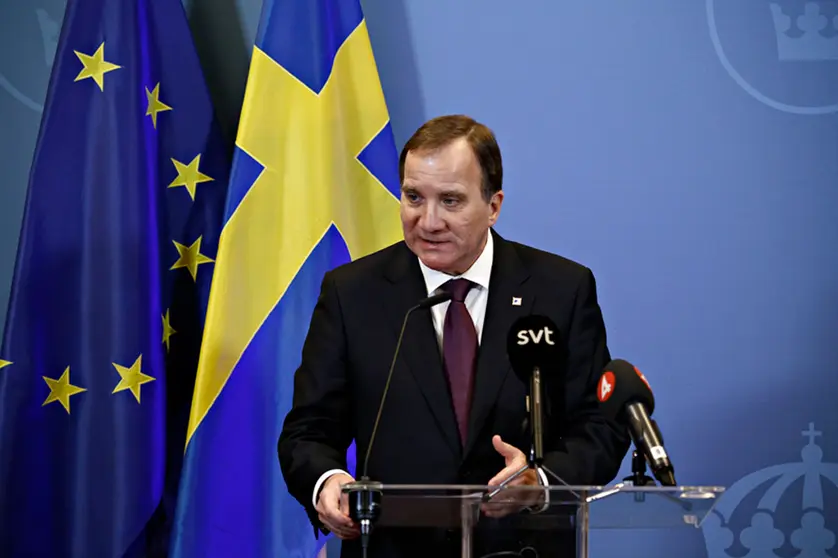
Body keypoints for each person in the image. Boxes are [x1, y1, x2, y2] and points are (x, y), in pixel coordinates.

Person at [277, 115, 630, 557]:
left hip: (522, 547)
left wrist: (539, 482)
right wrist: (327, 483)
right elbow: (308, 433)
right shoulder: (352, 294)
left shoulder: (560, 290)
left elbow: (600, 427)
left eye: (450, 200)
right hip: (393, 548)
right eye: (413, 197)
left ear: (494, 205)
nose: (428, 221)